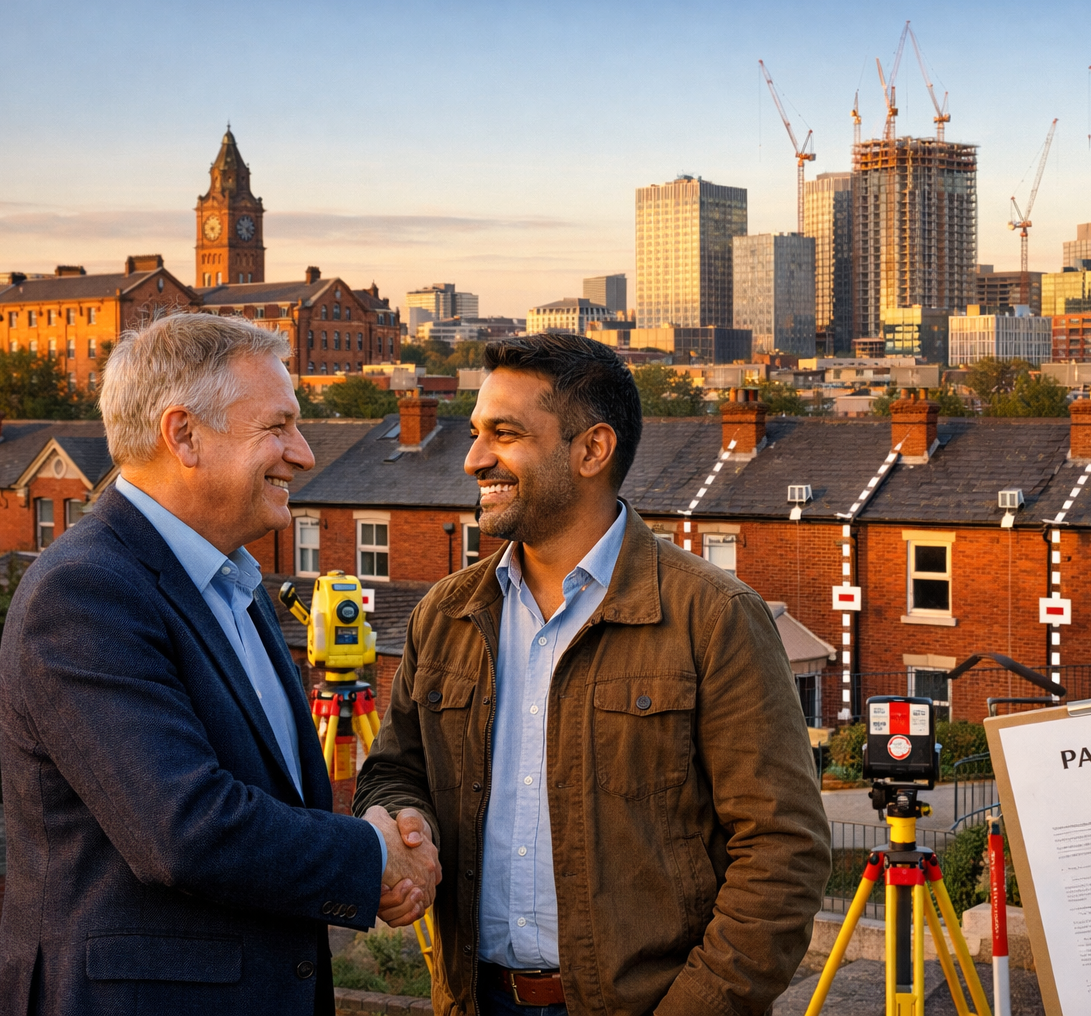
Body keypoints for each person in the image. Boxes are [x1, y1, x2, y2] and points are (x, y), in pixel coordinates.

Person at [354, 334, 830, 1016]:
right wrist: (405, 823)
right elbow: (396, 770)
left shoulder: (712, 616)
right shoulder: (446, 613)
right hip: (474, 1000)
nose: (474, 458)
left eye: (505, 434)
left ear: (591, 450)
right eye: (475, 433)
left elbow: (782, 852)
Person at [0, 314, 440, 1016]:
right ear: (184, 435)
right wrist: (373, 855)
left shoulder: (234, 582)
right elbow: (186, 827)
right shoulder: (86, 593)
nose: (302, 453)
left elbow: (280, 796)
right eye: (278, 427)